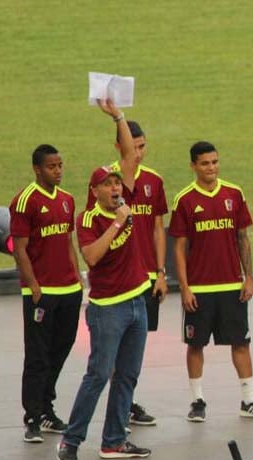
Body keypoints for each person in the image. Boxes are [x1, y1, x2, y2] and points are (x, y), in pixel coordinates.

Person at [57, 99, 151, 460]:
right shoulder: (90, 219)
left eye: (116, 183)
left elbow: (128, 154)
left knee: (128, 375)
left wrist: (118, 117)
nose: (115, 188)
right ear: (94, 191)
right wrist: (118, 223)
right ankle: (70, 441)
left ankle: (113, 441)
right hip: (108, 309)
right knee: (98, 374)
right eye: (108, 185)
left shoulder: (122, 199)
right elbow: (92, 258)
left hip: (136, 303)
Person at [170, 141, 253, 422]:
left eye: (215, 162)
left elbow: (242, 238)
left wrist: (249, 278)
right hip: (200, 288)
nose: (211, 168)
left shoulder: (234, 194)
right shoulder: (184, 200)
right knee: (195, 345)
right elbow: (179, 248)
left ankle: (249, 399)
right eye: (205, 163)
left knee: (240, 343)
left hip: (231, 286)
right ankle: (197, 401)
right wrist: (184, 287)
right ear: (193, 166)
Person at [87, 119, 168, 428]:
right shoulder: (111, 182)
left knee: (135, 346)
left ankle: (125, 402)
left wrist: (160, 272)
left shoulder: (155, 181)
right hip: (116, 281)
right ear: (121, 148)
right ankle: (122, 406)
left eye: (143, 146)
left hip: (145, 276)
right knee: (112, 353)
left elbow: (159, 229)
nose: (140, 152)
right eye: (134, 147)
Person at [10, 144, 82, 444]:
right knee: (37, 355)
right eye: (52, 166)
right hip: (42, 292)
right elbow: (20, 249)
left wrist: (78, 277)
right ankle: (32, 415)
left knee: (61, 348)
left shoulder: (67, 201)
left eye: (60, 165)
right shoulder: (24, 201)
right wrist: (34, 286)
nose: (58, 171)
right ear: (37, 169)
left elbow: (67, 241)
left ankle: (46, 406)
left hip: (69, 290)